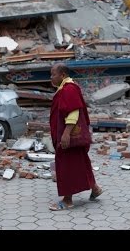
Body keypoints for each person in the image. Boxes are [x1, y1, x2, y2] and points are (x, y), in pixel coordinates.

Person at [48, 62, 103, 211]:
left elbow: (73, 112)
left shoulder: (69, 89)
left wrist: (66, 134)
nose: (51, 78)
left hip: (69, 136)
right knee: (81, 162)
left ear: (63, 75)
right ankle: (95, 188)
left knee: (66, 165)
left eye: (53, 74)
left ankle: (67, 200)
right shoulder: (65, 88)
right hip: (72, 136)